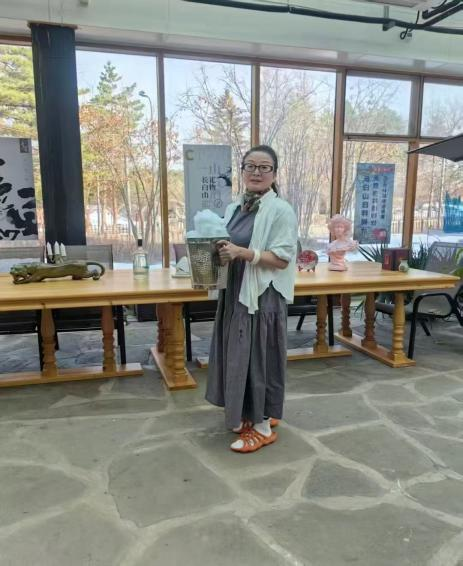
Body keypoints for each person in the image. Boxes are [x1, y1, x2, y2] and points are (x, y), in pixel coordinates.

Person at [206, 145, 297, 453]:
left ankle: (262, 427)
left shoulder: (281, 210)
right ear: (242, 170)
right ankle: (249, 412)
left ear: (274, 174)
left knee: (260, 359)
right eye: (250, 166)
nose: (257, 172)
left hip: (262, 296)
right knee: (239, 355)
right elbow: (229, 246)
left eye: (264, 167)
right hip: (235, 293)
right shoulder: (236, 208)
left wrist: (242, 253)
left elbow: (282, 259)